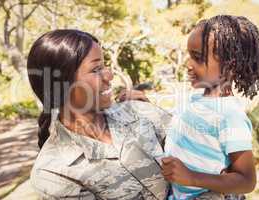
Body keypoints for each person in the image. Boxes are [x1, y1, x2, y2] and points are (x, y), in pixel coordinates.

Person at [28, 29, 172, 200]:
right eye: (96, 69)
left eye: (104, 66)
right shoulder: (53, 173)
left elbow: (197, 152)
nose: (110, 75)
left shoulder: (139, 112)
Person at [161, 15, 259, 200]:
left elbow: (247, 181)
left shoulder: (230, 115)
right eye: (189, 55)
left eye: (198, 58)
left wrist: (192, 177)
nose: (188, 64)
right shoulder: (195, 100)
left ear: (229, 64)